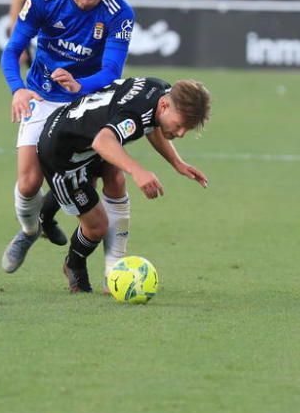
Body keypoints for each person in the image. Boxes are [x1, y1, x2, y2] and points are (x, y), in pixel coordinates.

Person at [0, 0, 135, 277]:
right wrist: (17, 89)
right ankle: (30, 231)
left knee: (114, 178)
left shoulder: (120, 13)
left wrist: (80, 85)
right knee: (29, 183)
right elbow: (13, 49)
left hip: (92, 100)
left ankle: (114, 266)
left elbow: (112, 71)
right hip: (43, 97)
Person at [37, 77, 211, 293]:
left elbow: (152, 123)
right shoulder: (136, 112)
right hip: (63, 155)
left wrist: (177, 163)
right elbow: (103, 141)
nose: (181, 133)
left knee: (116, 180)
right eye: (180, 125)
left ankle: (113, 270)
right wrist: (138, 171)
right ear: (166, 106)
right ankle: (74, 263)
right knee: (97, 227)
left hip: (87, 138)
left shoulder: (163, 92)